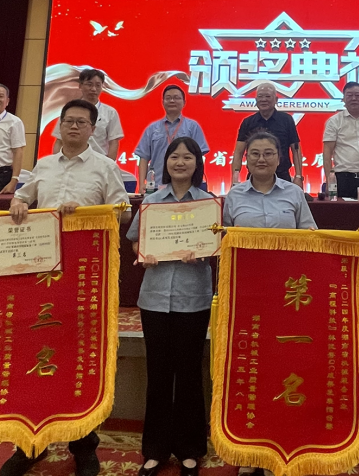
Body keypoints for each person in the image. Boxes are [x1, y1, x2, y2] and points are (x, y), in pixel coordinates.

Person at [2, 99, 131, 476]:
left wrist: (87, 213)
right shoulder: (42, 165)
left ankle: (84, 445)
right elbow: (22, 197)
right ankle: (31, 443)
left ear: (93, 129)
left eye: (81, 122)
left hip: (83, 278)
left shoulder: (105, 167)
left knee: (79, 357)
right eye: (68, 121)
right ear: (59, 126)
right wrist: (18, 203)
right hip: (41, 277)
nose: (73, 127)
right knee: (36, 352)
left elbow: (123, 212)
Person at [223, 130, 316, 476]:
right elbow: (222, 242)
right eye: (255, 154)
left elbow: (311, 238)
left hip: (286, 298)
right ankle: (249, 450)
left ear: (280, 158)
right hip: (246, 296)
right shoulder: (233, 196)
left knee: (280, 367)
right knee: (248, 369)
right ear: (245, 159)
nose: (261, 159)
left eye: (268, 153)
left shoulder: (294, 194)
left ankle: (279, 442)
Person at [127, 137, 214, 476]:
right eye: (174, 156)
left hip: (194, 298)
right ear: (165, 163)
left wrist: (202, 251)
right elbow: (136, 240)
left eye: (187, 157)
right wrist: (143, 254)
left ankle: (191, 449)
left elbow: (216, 243)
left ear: (197, 163)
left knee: (190, 373)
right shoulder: (151, 201)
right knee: (159, 374)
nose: (180, 162)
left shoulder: (208, 202)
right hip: (155, 298)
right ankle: (155, 449)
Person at [134, 85, 210, 192]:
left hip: (187, 186)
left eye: (176, 98)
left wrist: (196, 181)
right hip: (157, 184)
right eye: (168, 98)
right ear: (163, 102)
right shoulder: (152, 128)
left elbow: (199, 157)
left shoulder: (193, 126)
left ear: (184, 102)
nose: (172, 101)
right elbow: (144, 157)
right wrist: (142, 183)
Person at [231, 83, 304, 187]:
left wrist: (298, 176)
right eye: (260, 96)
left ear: (276, 99)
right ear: (256, 100)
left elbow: (295, 149)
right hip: (255, 177)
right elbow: (239, 152)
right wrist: (235, 178)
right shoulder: (248, 122)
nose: (263, 99)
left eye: (268, 96)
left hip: (282, 176)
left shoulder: (286, 120)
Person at [53, 68, 124, 160]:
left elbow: (113, 141)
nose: (93, 89)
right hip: (71, 161)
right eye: (89, 84)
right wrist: (57, 161)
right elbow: (59, 141)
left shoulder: (110, 112)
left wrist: (109, 164)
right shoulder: (70, 110)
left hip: (98, 162)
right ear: (80, 85)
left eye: (98, 85)